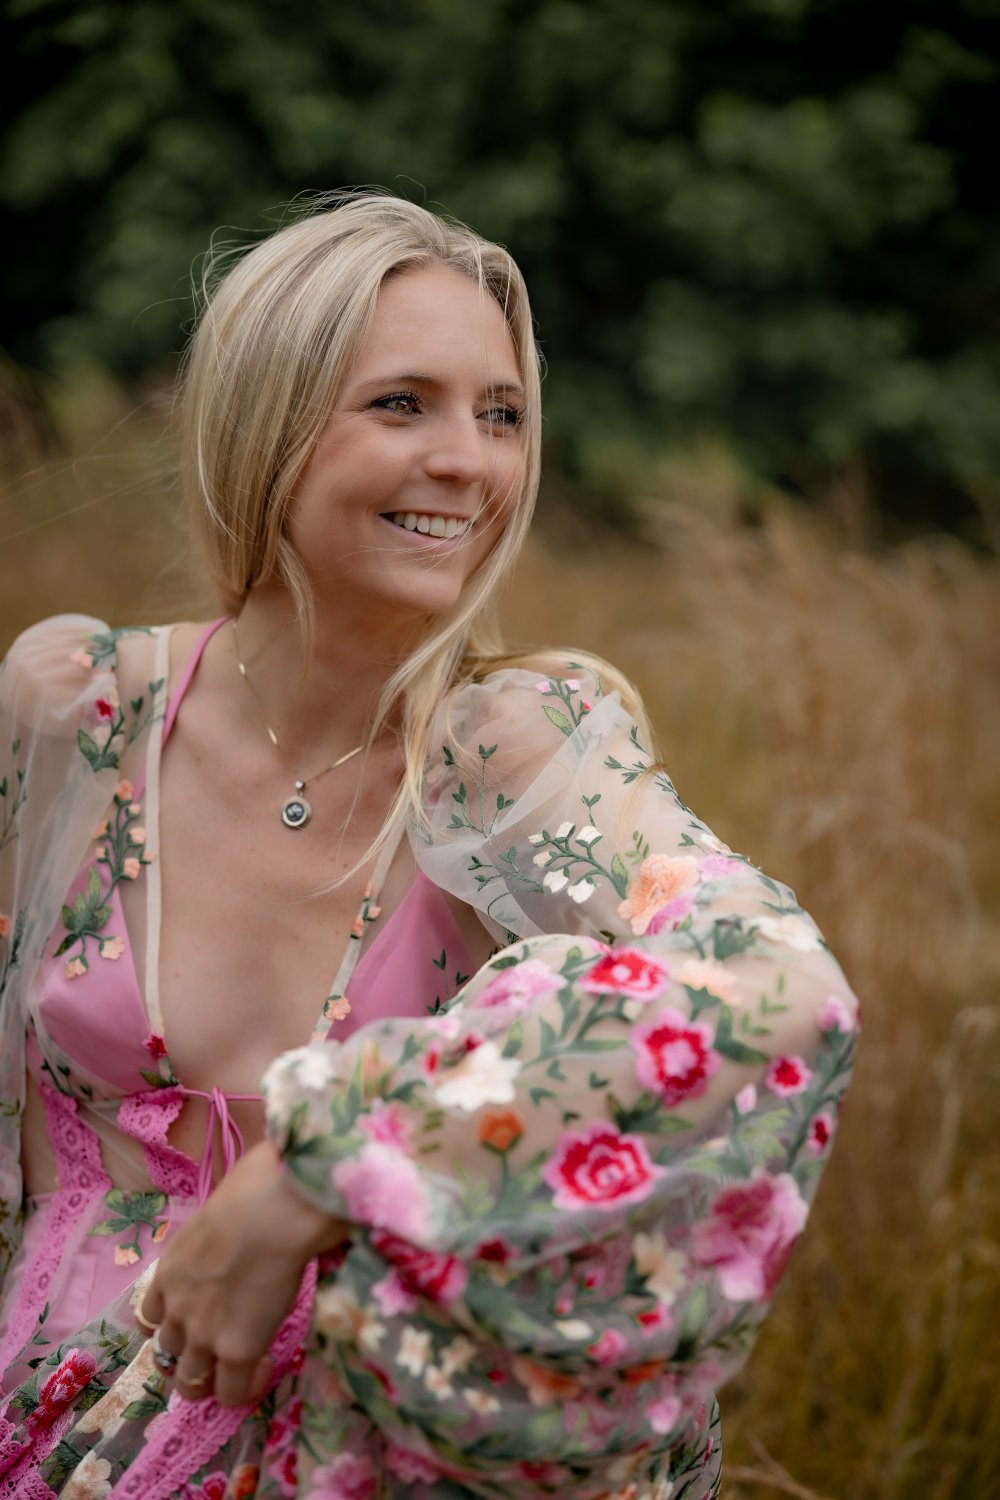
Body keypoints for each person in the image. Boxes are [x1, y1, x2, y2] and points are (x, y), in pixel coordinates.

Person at [0, 193, 858, 1500]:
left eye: (501, 414)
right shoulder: (77, 709)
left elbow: (778, 990)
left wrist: (330, 1162)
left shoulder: (516, 750)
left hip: (353, 1454)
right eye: (402, 404)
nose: (470, 461)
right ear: (266, 420)